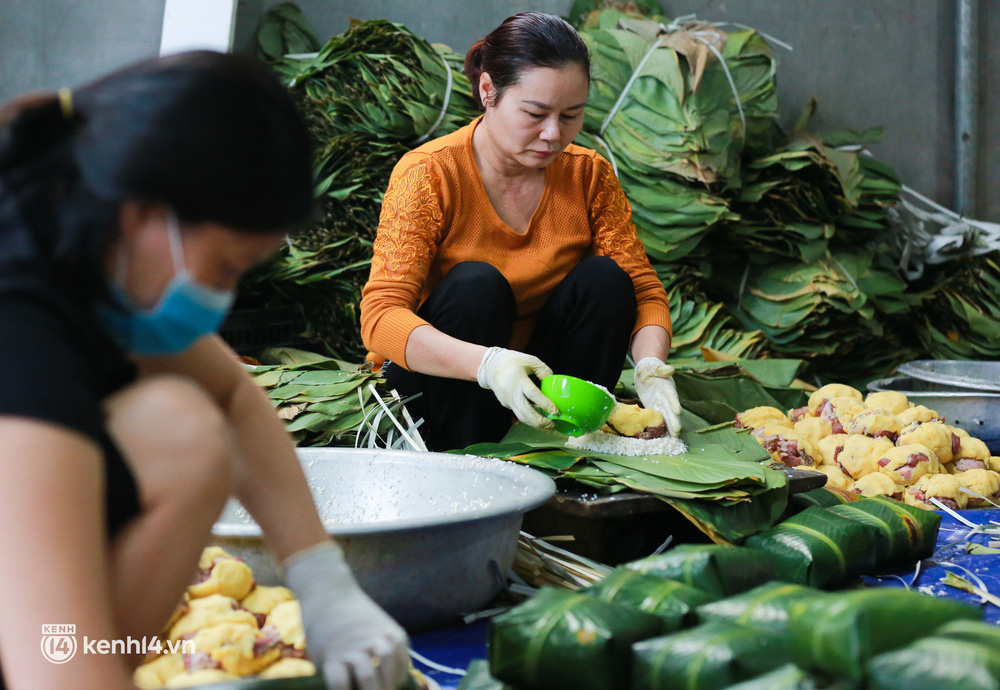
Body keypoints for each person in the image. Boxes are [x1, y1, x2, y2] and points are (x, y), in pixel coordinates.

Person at [0, 52, 408, 690]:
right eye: (223, 269)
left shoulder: (70, 229)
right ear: (143, 215)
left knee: (183, 426)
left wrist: (322, 581)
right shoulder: (22, 345)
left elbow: (231, 398)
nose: (221, 297)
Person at [360, 12, 683, 452]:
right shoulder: (429, 174)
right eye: (535, 113)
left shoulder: (588, 175)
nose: (553, 134)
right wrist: (489, 365)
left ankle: (570, 443)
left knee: (606, 281)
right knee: (477, 286)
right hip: (446, 382)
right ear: (488, 90)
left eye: (572, 114)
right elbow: (380, 318)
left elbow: (644, 292)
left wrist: (650, 366)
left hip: (542, 385)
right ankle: (457, 452)